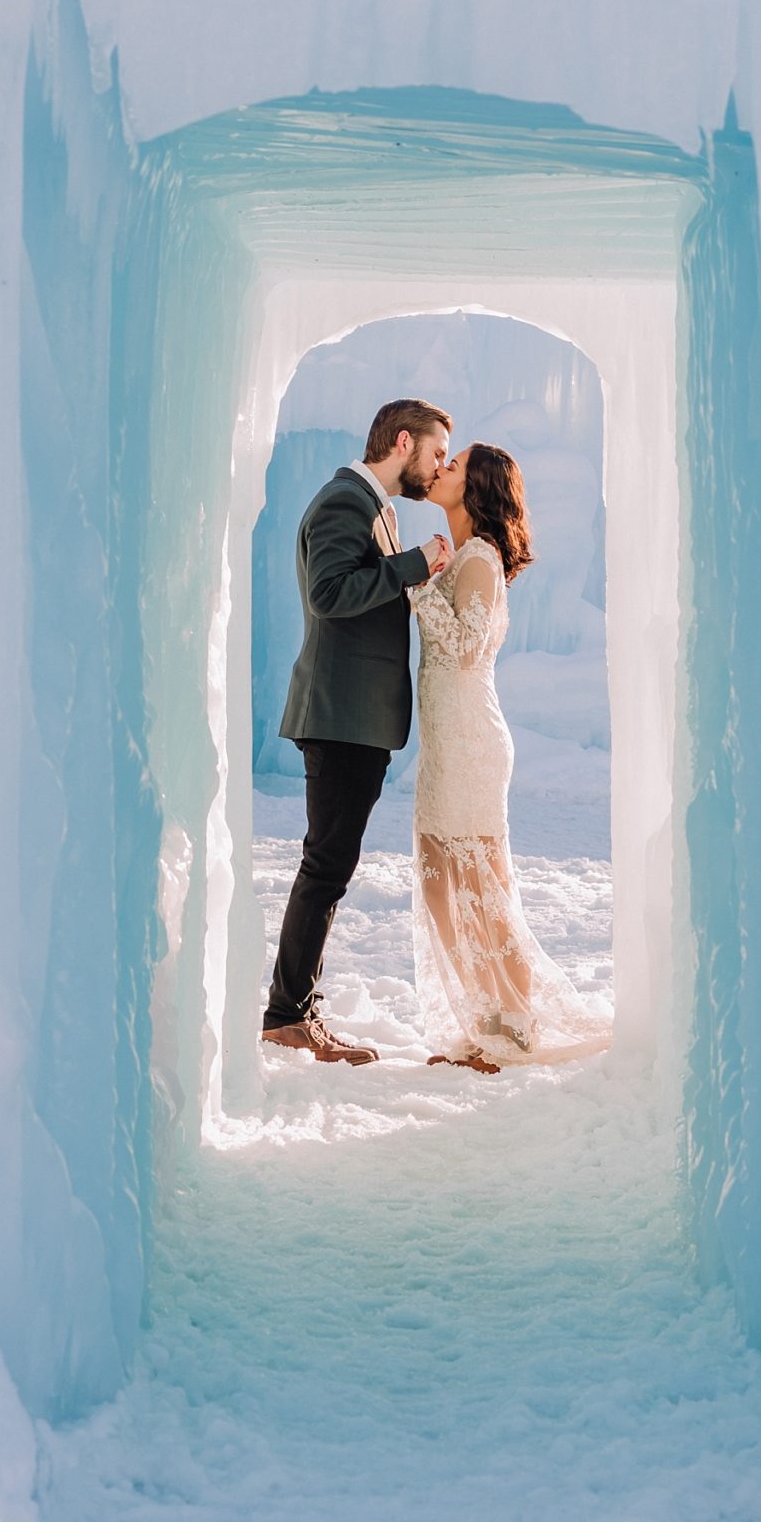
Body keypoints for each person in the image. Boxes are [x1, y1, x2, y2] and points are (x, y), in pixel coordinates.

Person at [262, 398, 453, 1064]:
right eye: (434, 453)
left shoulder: (377, 508)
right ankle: (288, 1015)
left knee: (329, 864)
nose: (439, 467)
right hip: (340, 717)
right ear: (403, 442)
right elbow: (329, 593)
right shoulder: (348, 501)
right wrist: (414, 565)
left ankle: (293, 1011)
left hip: (353, 718)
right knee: (326, 865)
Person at [409, 443, 610, 1072]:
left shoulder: (482, 559)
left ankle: (516, 1029)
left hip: (472, 739)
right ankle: (484, 1021)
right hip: (447, 742)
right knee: (443, 890)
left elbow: (466, 647)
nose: (440, 469)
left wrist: (413, 580)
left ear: (477, 489)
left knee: (482, 886)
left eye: (455, 465)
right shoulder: (459, 558)